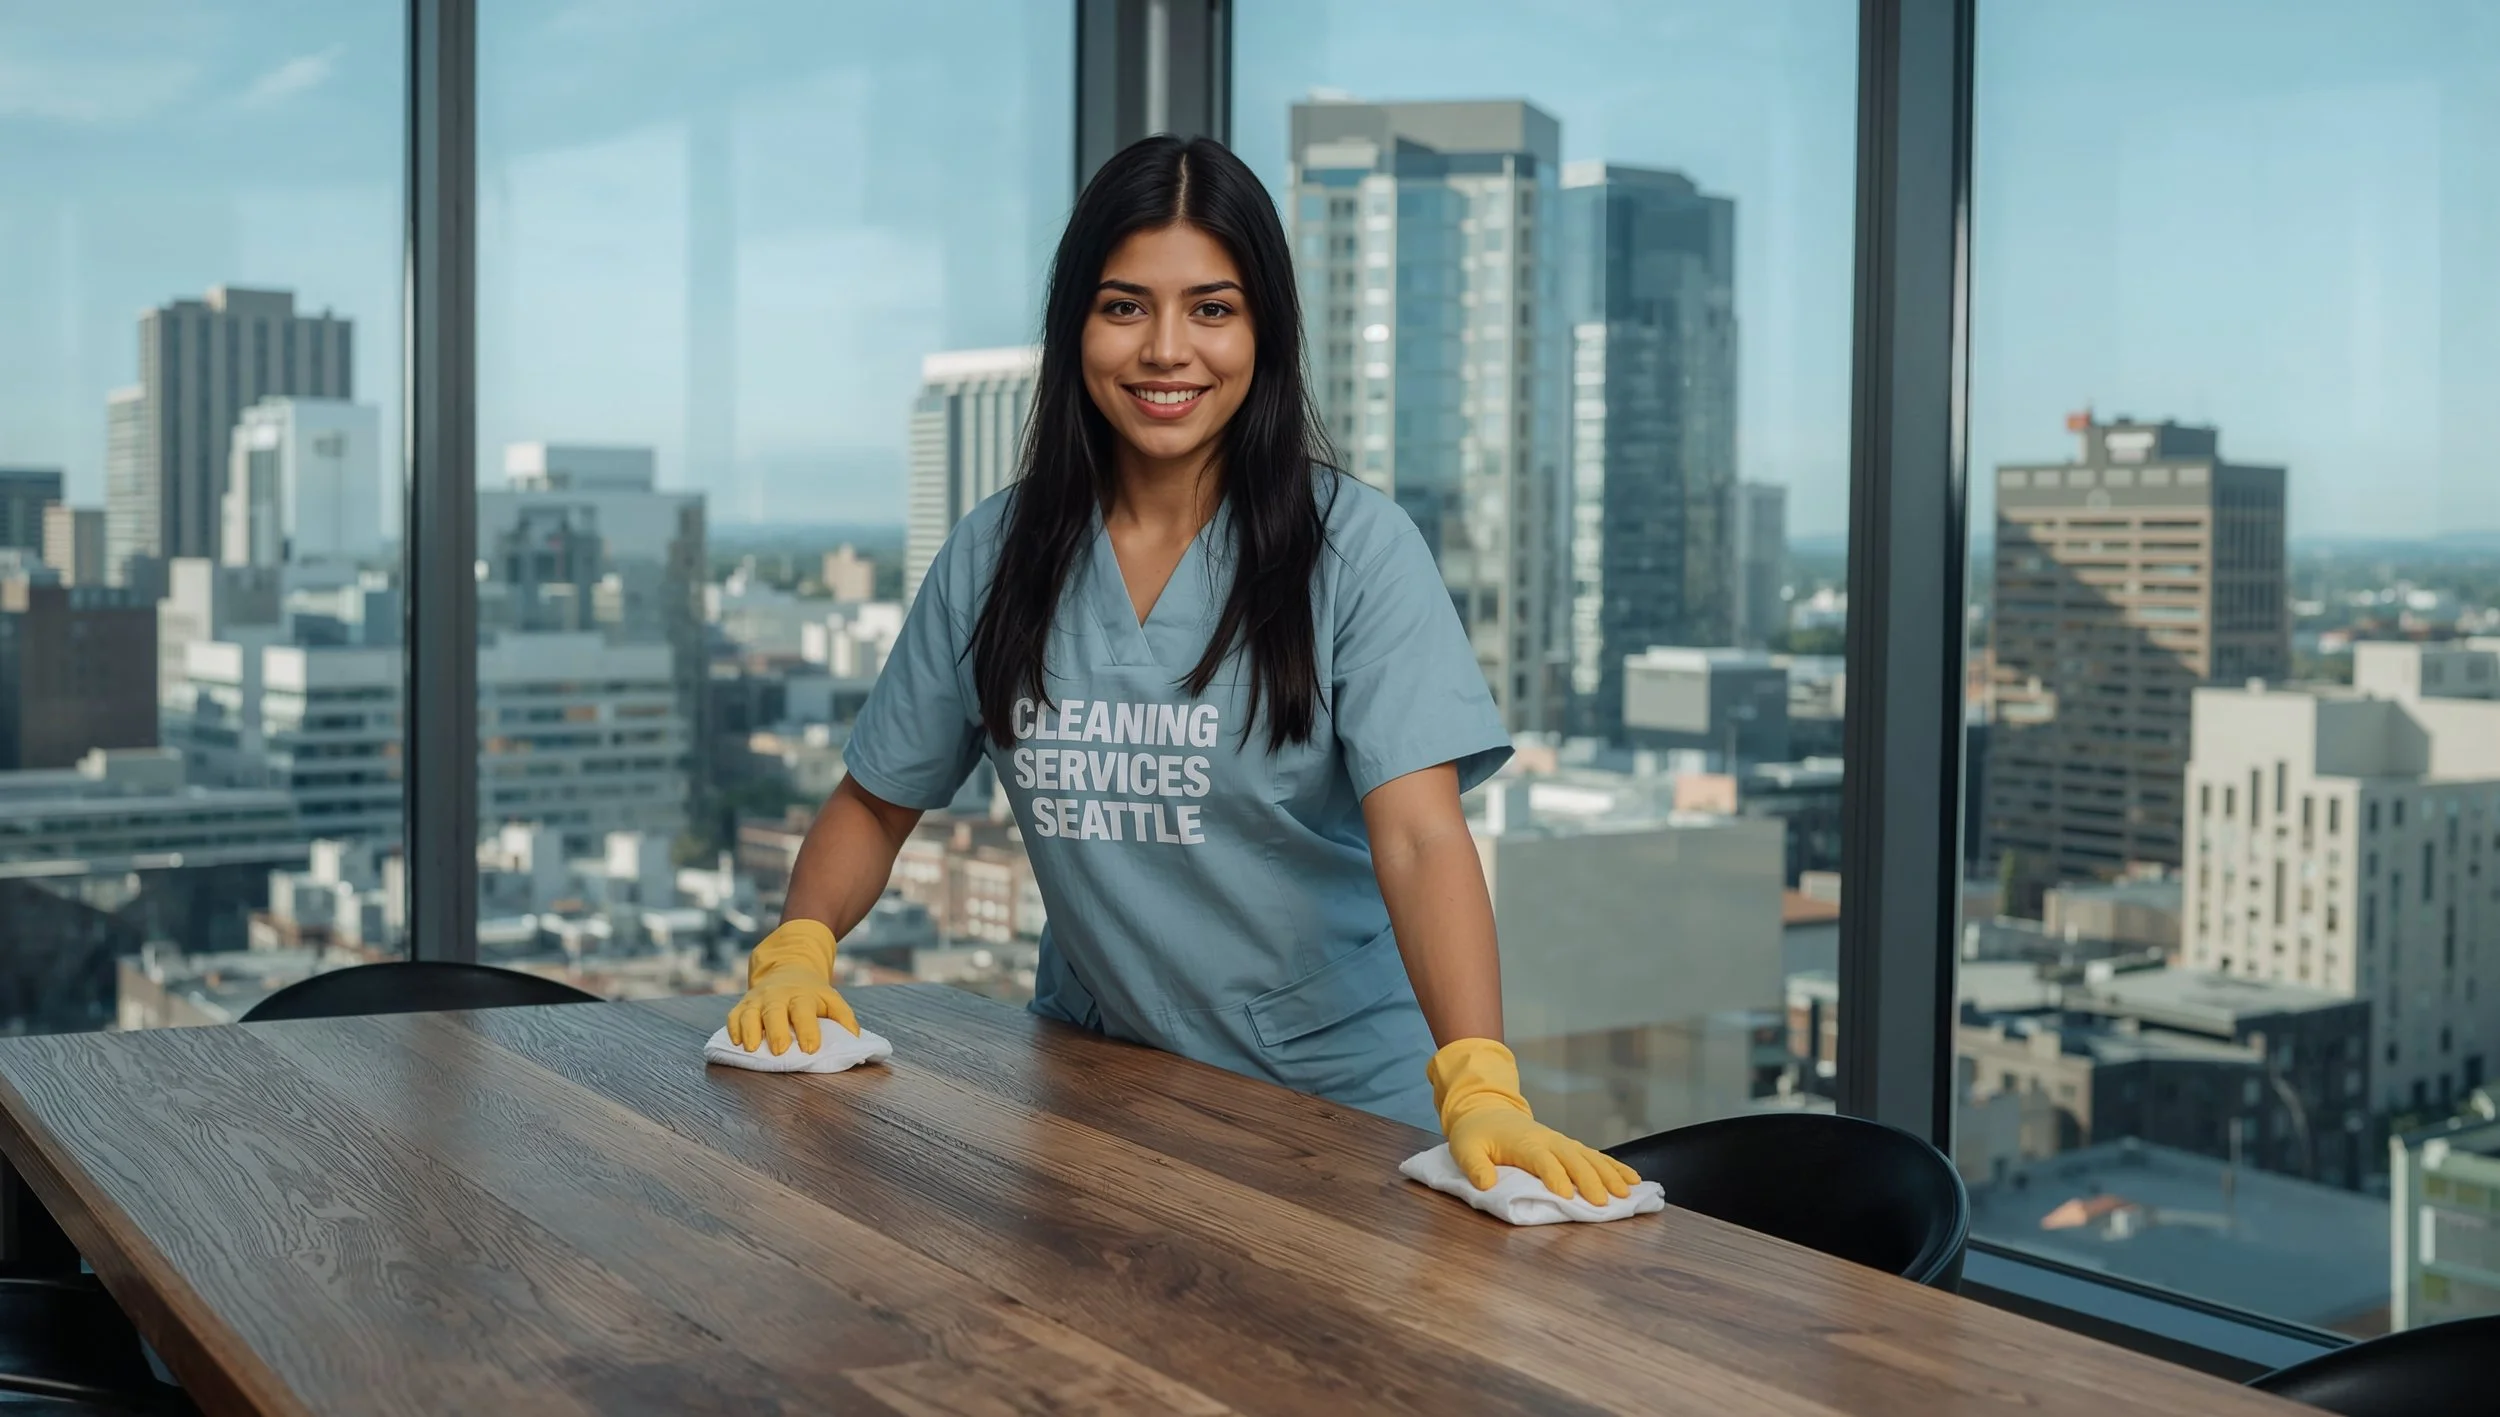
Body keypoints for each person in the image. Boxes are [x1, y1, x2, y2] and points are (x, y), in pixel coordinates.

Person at [727, 134, 1637, 1205]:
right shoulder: (994, 552)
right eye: (1124, 307)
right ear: (1075, 327)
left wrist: (1482, 1078)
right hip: (1096, 1090)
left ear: (1264, 331)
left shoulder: (1357, 549)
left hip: (1335, 1112)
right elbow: (876, 803)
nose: (1167, 350)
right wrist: (798, 946)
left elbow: (1422, 832)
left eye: (1212, 308)